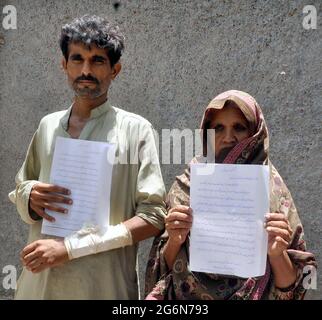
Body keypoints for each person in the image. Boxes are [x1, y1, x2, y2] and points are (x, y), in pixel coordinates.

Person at [8, 15, 166, 299]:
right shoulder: (48, 126)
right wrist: (30, 197)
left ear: (115, 70)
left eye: (97, 61)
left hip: (103, 287)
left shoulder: (135, 130)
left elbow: (153, 217)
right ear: (64, 65)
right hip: (41, 286)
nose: (85, 70)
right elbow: (20, 190)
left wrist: (70, 248)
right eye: (77, 59)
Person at [144, 90, 316, 300]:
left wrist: (277, 253)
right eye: (218, 128)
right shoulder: (188, 185)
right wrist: (174, 240)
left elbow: (294, 287)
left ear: (255, 132)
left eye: (239, 128)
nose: (228, 138)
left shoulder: (273, 190)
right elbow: (163, 270)